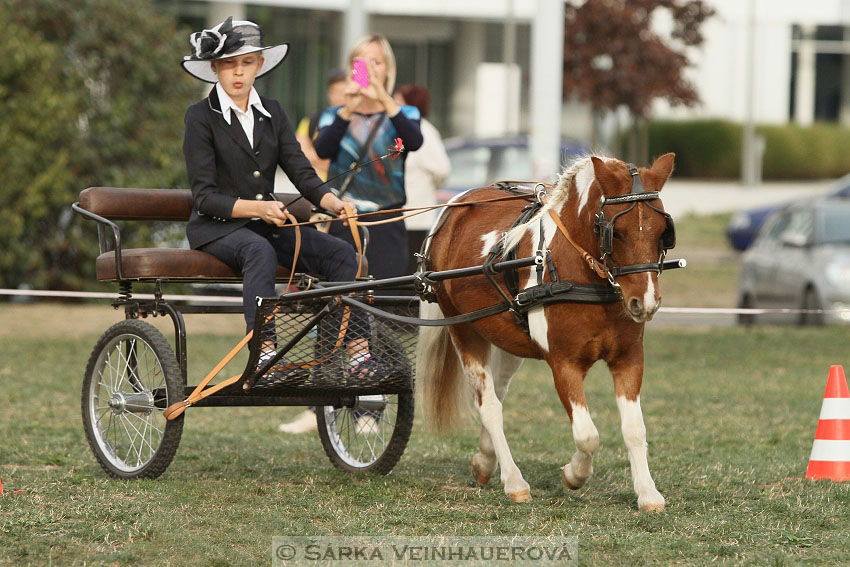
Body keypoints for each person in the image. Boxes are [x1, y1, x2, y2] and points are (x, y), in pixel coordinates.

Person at [181, 18, 385, 409]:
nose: (238, 73)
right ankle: (266, 355)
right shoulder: (200, 117)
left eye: (247, 63)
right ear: (214, 68)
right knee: (259, 251)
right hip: (217, 229)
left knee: (344, 255)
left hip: (265, 226)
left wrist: (333, 203)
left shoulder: (272, 111)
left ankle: (359, 355)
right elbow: (204, 197)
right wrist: (259, 207)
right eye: (229, 64)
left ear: (259, 65)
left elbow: (303, 172)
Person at [313, 33, 424, 280]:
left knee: (386, 295)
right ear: (352, 69)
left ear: (388, 69)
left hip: (386, 219)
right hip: (344, 218)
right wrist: (349, 108)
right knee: (342, 296)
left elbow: (414, 142)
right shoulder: (335, 114)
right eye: (362, 62)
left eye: (377, 62)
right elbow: (322, 150)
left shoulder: (404, 112)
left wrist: (383, 99)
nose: (370, 70)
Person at [392, 84, 451, 274]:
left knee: (408, 271)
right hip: (400, 215)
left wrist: (426, 185)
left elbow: (442, 168)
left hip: (415, 216)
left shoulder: (424, 131)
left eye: (398, 101)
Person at [296, 70, 346, 180]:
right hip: (316, 187)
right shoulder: (313, 120)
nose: (340, 97)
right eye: (335, 92)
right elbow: (300, 154)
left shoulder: (358, 123)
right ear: (329, 94)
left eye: (343, 92)